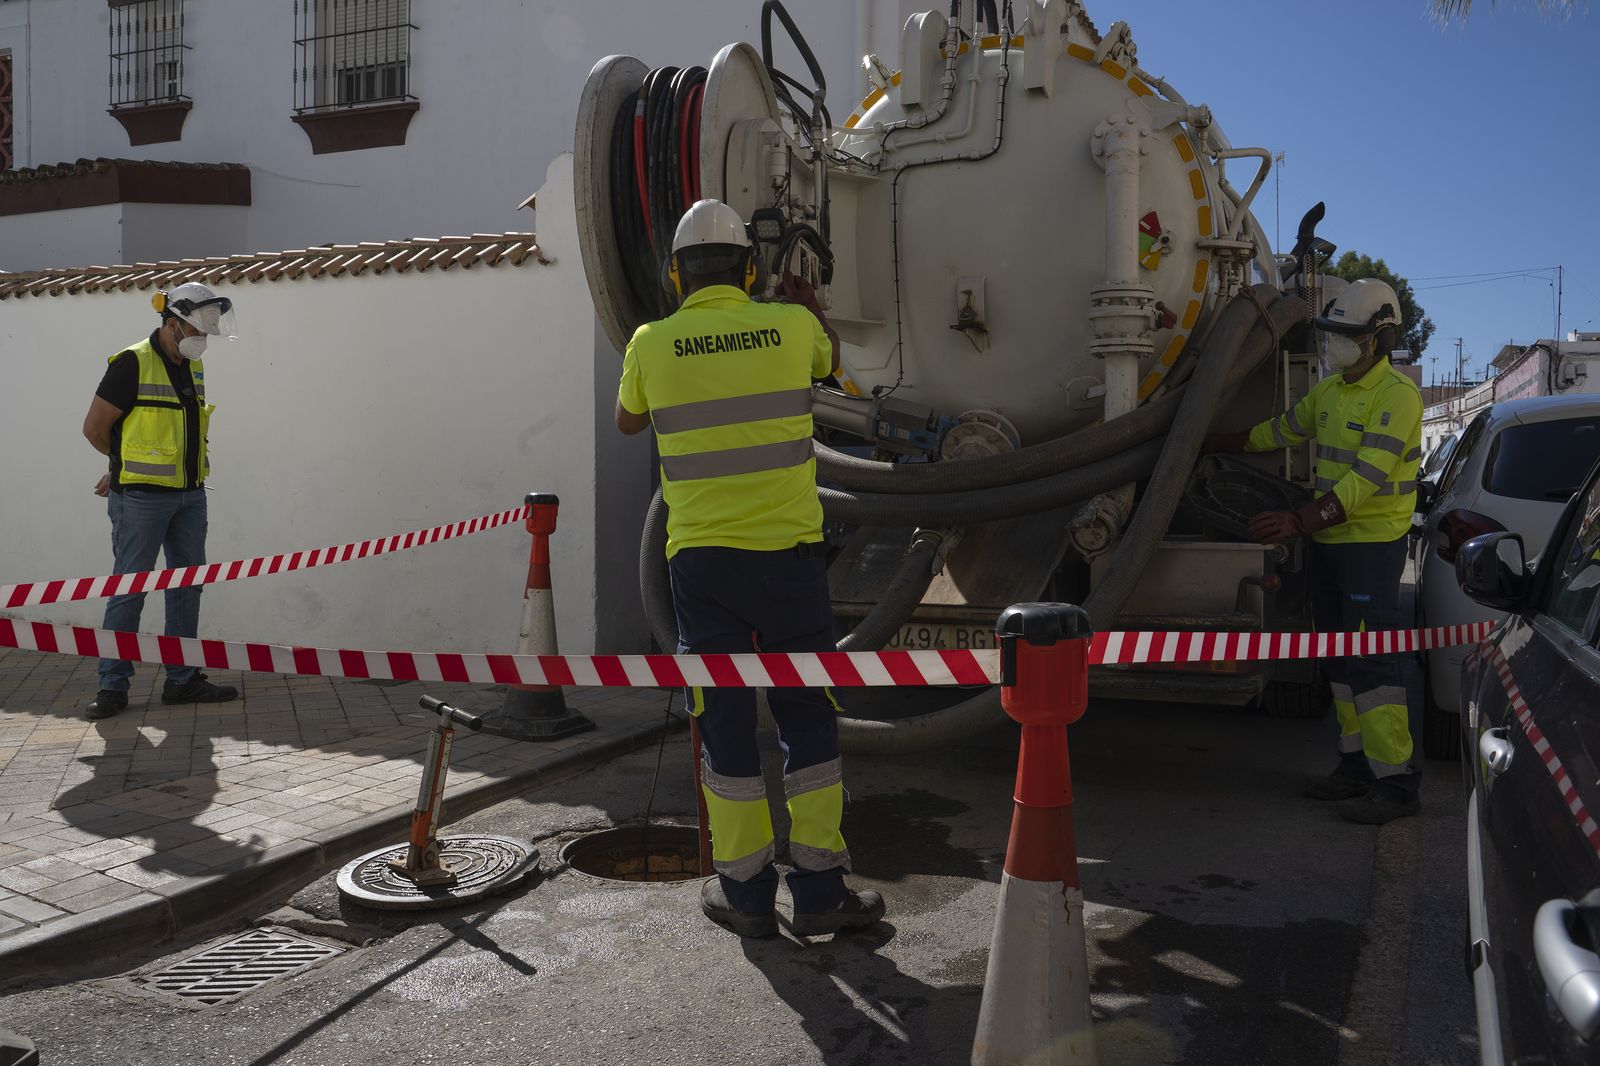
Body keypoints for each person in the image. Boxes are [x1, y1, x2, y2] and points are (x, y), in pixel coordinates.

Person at [615, 199, 885, 937]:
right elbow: (832, 364)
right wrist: (809, 304)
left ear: (676, 275)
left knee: (726, 722)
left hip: (703, 568)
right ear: (752, 269)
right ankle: (822, 890)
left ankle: (746, 895)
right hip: (792, 563)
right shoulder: (793, 327)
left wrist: (673, 353)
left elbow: (628, 420)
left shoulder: (651, 340)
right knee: (807, 718)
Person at [1206, 278, 1424, 825]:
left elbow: (1361, 483)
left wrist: (1296, 522)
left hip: (1371, 550)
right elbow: (1279, 431)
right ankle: (1354, 768)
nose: (1334, 345)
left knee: (1374, 665)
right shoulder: (1329, 392)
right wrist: (1210, 439)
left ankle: (1397, 786)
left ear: (1378, 339)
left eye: (1347, 336)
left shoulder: (1397, 396)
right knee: (1341, 662)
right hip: (1330, 546)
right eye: (1331, 334)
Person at [81, 282, 241, 720]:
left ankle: (182, 679)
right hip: (140, 501)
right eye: (197, 331)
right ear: (172, 324)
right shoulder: (132, 363)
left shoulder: (193, 366)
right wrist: (121, 465)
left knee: (186, 589)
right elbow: (95, 429)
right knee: (129, 590)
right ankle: (112, 685)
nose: (202, 341)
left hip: (190, 497)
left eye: (208, 333)